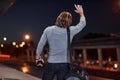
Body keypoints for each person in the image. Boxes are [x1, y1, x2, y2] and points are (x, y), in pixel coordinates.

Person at [36, 4, 86, 80]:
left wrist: (38, 56)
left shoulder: (48, 30)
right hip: (65, 64)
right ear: (69, 21)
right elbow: (82, 24)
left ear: (58, 19)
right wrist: (81, 13)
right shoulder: (71, 30)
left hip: (51, 63)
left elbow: (41, 44)